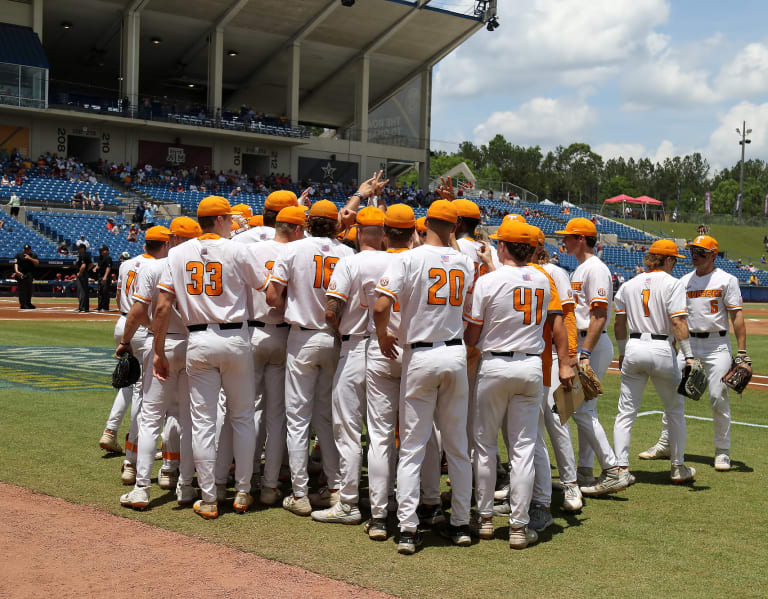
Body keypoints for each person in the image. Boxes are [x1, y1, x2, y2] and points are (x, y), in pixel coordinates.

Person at [153, 196, 268, 519]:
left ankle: (208, 496)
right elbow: (263, 286)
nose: (232, 223)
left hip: (198, 338)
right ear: (219, 220)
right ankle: (243, 491)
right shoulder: (236, 248)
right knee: (242, 417)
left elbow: (162, 307)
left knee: (202, 423)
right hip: (235, 337)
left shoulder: (176, 253)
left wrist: (159, 351)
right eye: (228, 218)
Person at [373, 199, 474, 554]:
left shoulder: (408, 258)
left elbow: (381, 306)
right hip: (455, 352)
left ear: (424, 222)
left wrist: (384, 334)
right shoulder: (466, 261)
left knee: (413, 446)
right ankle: (460, 523)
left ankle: (407, 529)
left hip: (421, 354)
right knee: (457, 446)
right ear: (456, 224)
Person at [465, 220, 573, 549]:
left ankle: (484, 519)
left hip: (495, 363)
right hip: (530, 366)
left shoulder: (489, 280)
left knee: (484, 446)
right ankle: (518, 525)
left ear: (503, 247)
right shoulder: (543, 279)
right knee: (524, 448)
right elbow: (556, 323)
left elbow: (472, 335)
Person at [266, 200, 355, 517]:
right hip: (334, 338)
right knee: (326, 419)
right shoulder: (347, 253)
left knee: (298, 419)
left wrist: (297, 298)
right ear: (335, 224)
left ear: (307, 222)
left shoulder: (292, 250)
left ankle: (300, 493)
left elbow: (272, 296)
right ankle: (334, 487)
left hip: (302, 336)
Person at [639, 235, 749, 472]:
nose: (694, 254)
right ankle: (666, 443)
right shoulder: (684, 281)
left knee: (718, 396)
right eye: (692, 250)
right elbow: (676, 317)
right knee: (672, 394)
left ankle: (722, 450)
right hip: (689, 345)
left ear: (712, 255)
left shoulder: (726, 280)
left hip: (716, 344)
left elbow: (736, 316)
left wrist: (741, 351)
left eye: (700, 251)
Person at [117, 217, 202, 510]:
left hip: (165, 343)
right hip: (195, 344)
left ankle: (142, 487)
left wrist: (154, 336)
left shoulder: (153, 266)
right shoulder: (198, 267)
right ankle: (186, 486)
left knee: (151, 416)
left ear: (173, 239)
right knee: (189, 418)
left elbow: (138, 310)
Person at [311, 207, 386, 526]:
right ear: (383, 234)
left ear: (357, 233)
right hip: (388, 349)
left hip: (354, 345)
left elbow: (331, 311)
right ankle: (385, 504)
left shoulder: (350, 261)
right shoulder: (398, 260)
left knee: (347, 431)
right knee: (382, 434)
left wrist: (338, 329)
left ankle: (349, 503)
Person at [555, 218, 631, 496]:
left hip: (592, 343)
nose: (563, 240)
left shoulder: (595, 269)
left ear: (582, 239)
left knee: (581, 411)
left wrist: (584, 352)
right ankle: (585, 470)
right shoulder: (581, 268)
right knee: (586, 410)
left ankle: (614, 470)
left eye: (568, 237)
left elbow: (599, 315)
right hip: (585, 342)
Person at [612, 240, 696, 484]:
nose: (675, 265)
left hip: (634, 346)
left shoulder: (629, 284)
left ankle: (620, 468)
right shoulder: (673, 283)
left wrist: (621, 351)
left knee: (625, 413)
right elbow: (678, 323)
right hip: (661, 347)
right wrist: (689, 355)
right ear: (668, 260)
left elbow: (619, 323)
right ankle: (677, 467)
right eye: (674, 260)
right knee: (675, 410)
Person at [14, 244, 39, 309]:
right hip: (21, 273)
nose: (26, 250)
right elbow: (16, 263)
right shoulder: (19, 255)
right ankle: (23, 304)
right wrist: (16, 271)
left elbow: (37, 262)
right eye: (25, 249)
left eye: (28, 249)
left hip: (30, 274)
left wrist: (30, 258)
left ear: (30, 249)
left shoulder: (33, 255)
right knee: (22, 289)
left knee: (29, 289)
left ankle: (28, 303)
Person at [74, 244, 93, 313]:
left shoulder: (82, 255)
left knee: (81, 291)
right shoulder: (87, 255)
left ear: (83, 248)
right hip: (84, 274)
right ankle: (86, 307)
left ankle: (82, 308)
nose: (78, 250)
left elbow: (83, 265)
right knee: (85, 291)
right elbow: (91, 264)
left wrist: (80, 272)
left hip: (81, 275)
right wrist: (86, 271)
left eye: (79, 248)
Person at [96, 245, 112, 312]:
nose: (102, 252)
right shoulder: (100, 258)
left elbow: (108, 267)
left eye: (103, 250)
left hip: (106, 277)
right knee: (100, 292)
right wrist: (96, 268)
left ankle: (105, 307)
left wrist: (105, 277)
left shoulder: (108, 258)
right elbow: (99, 265)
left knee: (105, 292)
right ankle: (100, 307)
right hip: (100, 276)